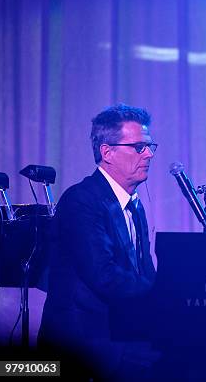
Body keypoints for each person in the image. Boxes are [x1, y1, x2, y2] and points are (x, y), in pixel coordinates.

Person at [39, 104, 158, 380]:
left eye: (150, 146)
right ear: (107, 152)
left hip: (118, 335)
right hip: (82, 344)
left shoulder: (135, 205)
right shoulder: (81, 200)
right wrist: (162, 294)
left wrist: (170, 299)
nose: (149, 154)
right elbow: (103, 276)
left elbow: (142, 271)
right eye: (139, 147)